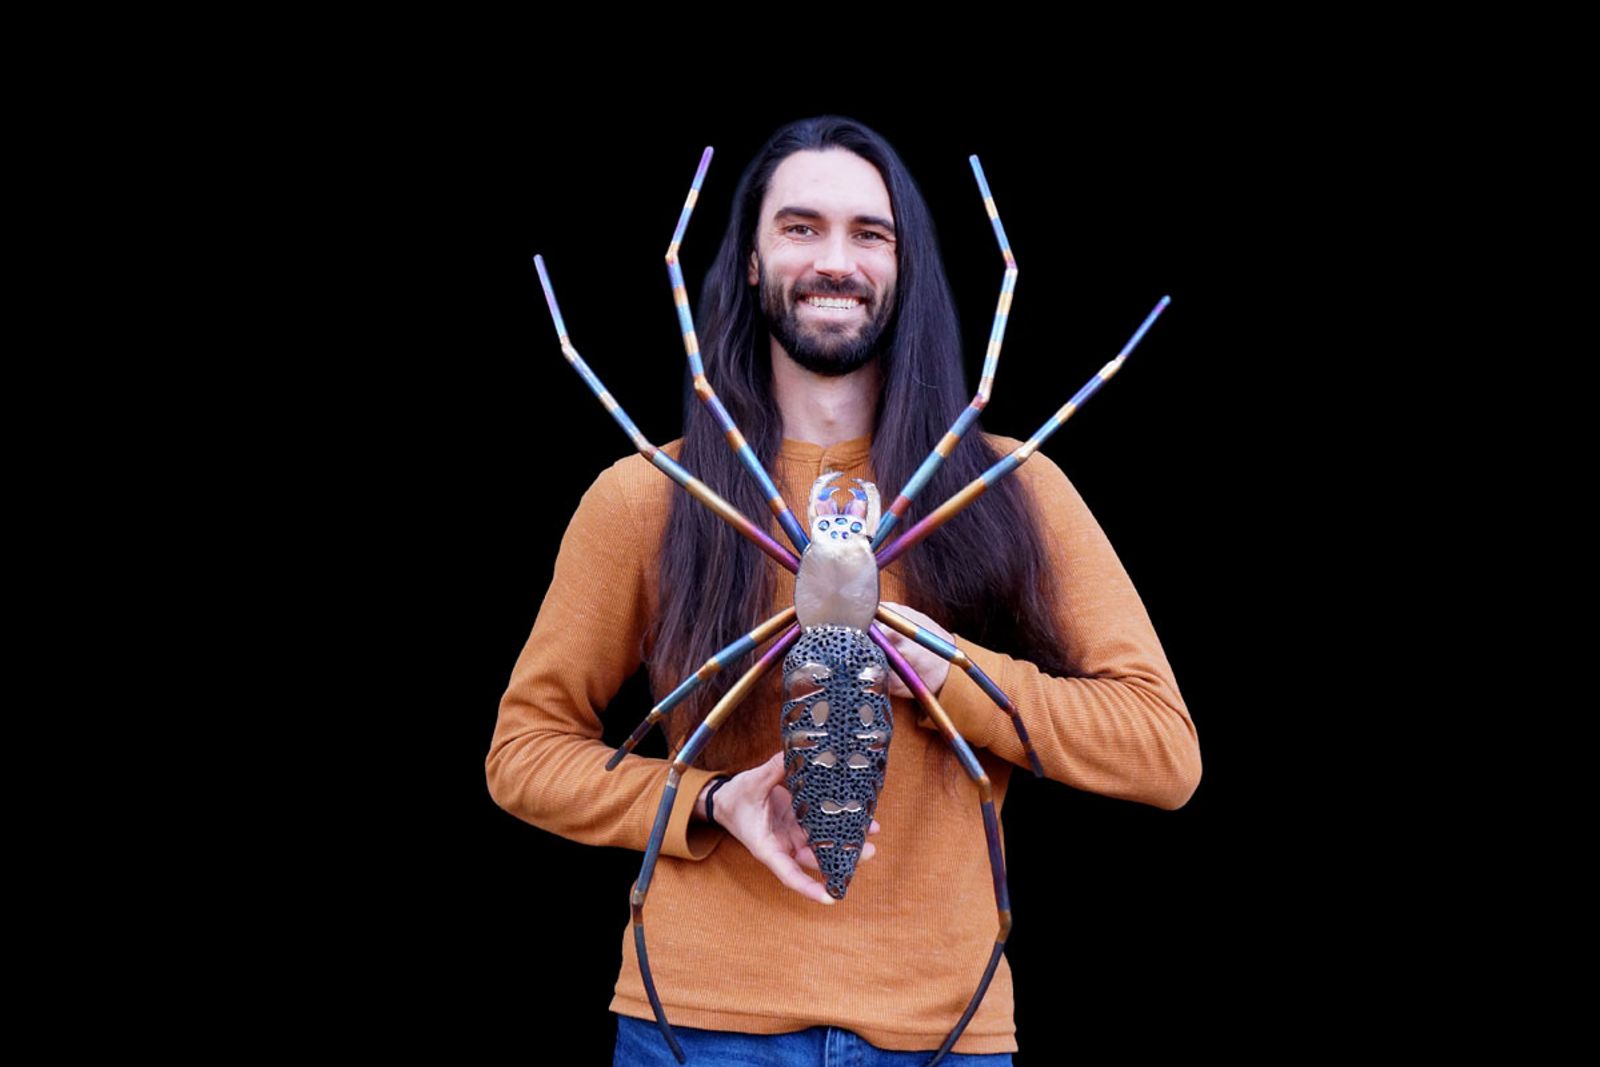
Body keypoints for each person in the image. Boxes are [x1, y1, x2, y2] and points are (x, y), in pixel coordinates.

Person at [486, 115, 1202, 1065]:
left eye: (871, 233)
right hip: (696, 1027)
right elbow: (523, 753)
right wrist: (706, 801)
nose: (837, 258)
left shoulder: (1008, 484)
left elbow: (1164, 752)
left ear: (906, 269)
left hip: (943, 1033)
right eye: (800, 227)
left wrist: (953, 675)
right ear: (747, 260)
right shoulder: (652, 495)